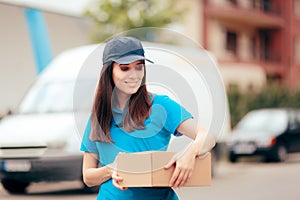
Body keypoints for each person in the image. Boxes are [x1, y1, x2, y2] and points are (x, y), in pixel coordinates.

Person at [80, 36, 216, 200]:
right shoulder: (99, 116)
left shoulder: (161, 106)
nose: (134, 75)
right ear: (109, 72)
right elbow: (88, 177)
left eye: (139, 67)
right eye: (125, 68)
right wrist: (112, 169)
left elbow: (207, 137)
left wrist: (189, 154)